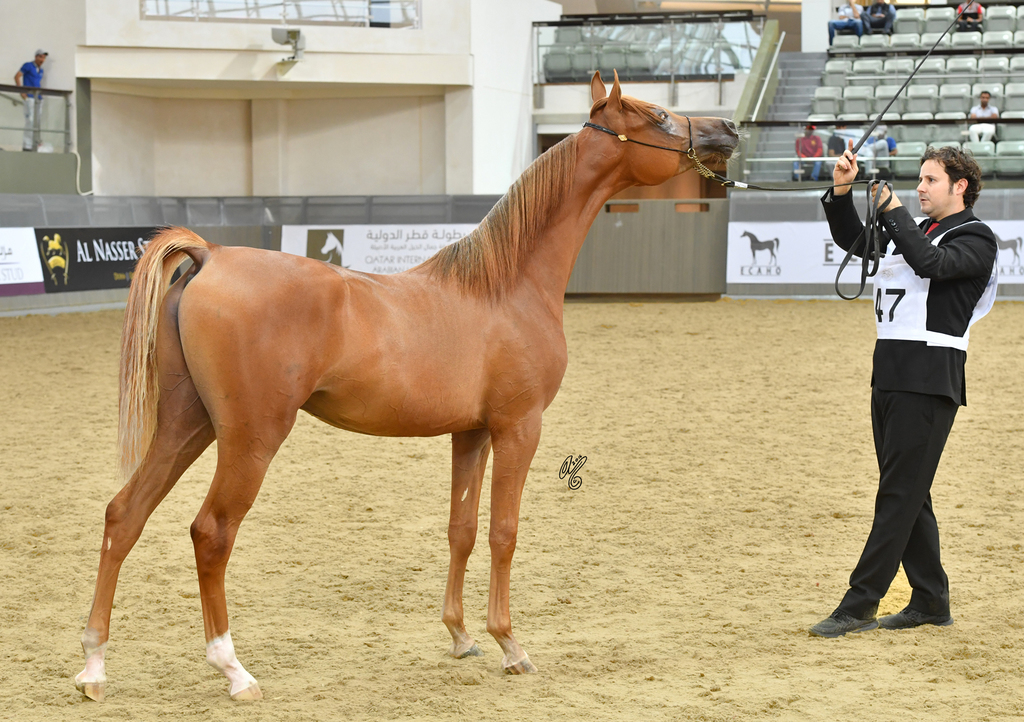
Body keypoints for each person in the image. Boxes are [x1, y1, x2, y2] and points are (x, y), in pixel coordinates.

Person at [809, 145, 998, 638]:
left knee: (897, 493)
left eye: (931, 180)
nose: (920, 187)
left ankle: (860, 603)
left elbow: (931, 264)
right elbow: (854, 241)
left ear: (960, 187)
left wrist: (893, 212)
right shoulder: (912, 230)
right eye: (919, 179)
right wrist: (843, 190)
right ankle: (931, 600)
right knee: (911, 492)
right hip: (890, 372)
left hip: (930, 376)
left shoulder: (975, 237)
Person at [14, 49, 47, 152]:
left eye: (44, 57)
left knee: (37, 121)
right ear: (36, 57)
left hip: (38, 98)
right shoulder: (28, 66)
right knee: (30, 120)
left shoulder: (41, 70)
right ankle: (27, 145)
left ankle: (36, 142)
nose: (42, 59)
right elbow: (17, 76)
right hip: (30, 97)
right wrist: (22, 92)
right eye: (40, 57)